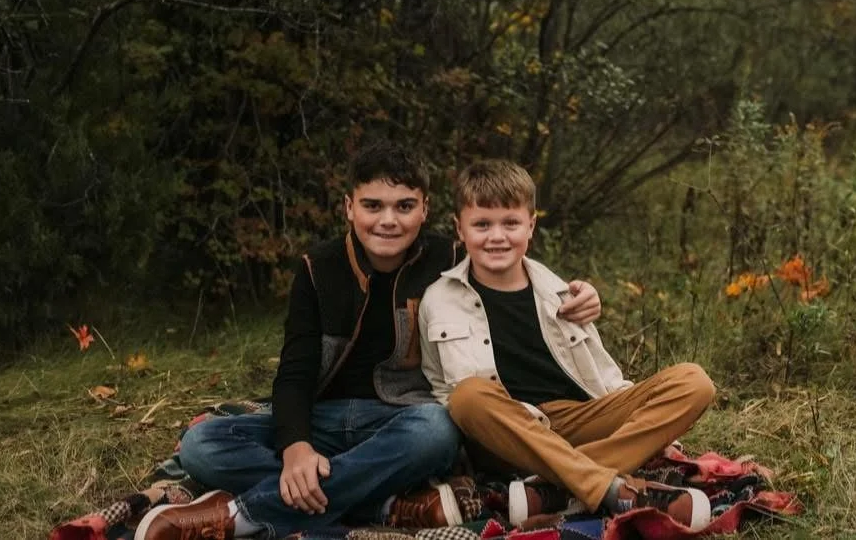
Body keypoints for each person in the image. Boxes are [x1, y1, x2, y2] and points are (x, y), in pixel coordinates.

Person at [135, 144, 603, 540]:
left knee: (437, 432)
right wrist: (296, 445)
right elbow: (295, 370)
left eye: (403, 206)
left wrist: (578, 295)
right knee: (201, 443)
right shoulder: (319, 268)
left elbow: (517, 274)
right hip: (326, 419)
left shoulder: (452, 258)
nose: (388, 221)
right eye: (372, 205)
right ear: (348, 207)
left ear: (425, 208)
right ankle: (385, 504)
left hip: (408, 419)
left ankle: (245, 515)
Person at [418, 159, 717, 530]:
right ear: (459, 230)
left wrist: (643, 416)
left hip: (577, 418)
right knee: (467, 396)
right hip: (509, 431)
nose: (497, 236)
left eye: (510, 223)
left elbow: (603, 373)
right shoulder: (438, 300)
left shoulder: (558, 290)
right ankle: (608, 484)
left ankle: (559, 486)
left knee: (694, 381)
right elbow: (438, 388)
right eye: (482, 224)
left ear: (531, 225)